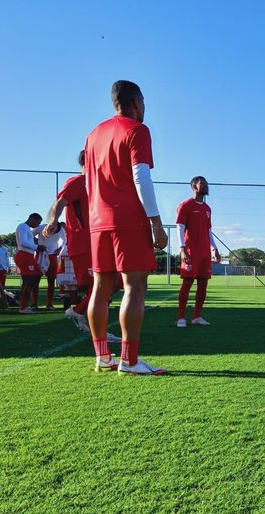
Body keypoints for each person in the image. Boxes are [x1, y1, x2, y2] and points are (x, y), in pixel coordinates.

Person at [83, 80, 168, 375]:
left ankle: (102, 356)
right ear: (135, 102)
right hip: (127, 220)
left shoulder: (93, 135)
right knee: (134, 287)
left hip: (97, 222)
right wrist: (156, 222)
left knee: (100, 288)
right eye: (143, 102)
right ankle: (129, 361)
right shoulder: (137, 130)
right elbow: (141, 177)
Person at [43, 151, 120, 342]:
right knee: (103, 286)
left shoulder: (100, 184)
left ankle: (78, 311)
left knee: (113, 283)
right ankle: (97, 331)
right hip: (85, 245)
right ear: (87, 161)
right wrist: (53, 220)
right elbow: (60, 202)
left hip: (99, 243)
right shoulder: (78, 182)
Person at [174, 176, 222, 327]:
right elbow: (180, 228)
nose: (206, 185)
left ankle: (196, 317)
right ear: (194, 186)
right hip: (190, 251)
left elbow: (208, 230)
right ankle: (181, 318)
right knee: (187, 282)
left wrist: (214, 248)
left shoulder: (207, 209)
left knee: (203, 284)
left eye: (207, 183)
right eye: (202, 183)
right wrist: (182, 248)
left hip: (204, 253)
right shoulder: (185, 205)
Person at [13, 213, 46, 313]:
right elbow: (23, 242)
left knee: (33, 278)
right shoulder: (23, 227)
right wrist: (36, 247)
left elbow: (27, 242)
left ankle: (24, 305)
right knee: (29, 280)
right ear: (32, 219)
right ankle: (23, 307)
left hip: (28, 256)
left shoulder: (26, 228)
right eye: (37, 223)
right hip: (24, 256)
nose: (37, 226)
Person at [38, 221, 66, 310]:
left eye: (56, 231)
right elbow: (30, 234)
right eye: (53, 230)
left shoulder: (61, 229)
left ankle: (49, 304)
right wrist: (36, 246)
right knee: (34, 280)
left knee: (51, 281)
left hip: (53, 256)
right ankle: (34, 304)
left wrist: (60, 248)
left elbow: (65, 239)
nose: (54, 232)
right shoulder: (41, 227)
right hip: (41, 255)